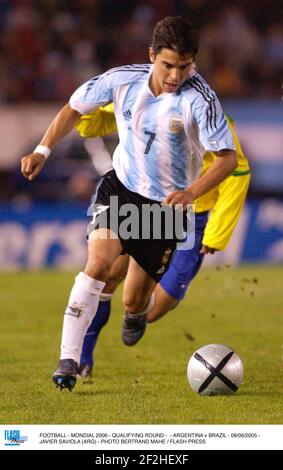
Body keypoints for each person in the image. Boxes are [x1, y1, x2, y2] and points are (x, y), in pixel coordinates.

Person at [21, 16, 237, 391]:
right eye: (168, 64)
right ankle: (68, 361)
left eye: (184, 67)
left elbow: (227, 159)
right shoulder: (122, 79)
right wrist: (43, 149)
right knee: (99, 265)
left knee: (134, 300)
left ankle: (134, 315)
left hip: (166, 210)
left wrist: (191, 193)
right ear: (152, 55)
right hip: (121, 189)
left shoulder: (200, 100)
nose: (175, 75)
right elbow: (74, 107)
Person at [75, 107, 250, 378]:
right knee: (106, 276)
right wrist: (89, 118)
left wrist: (217, 232)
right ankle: (81, 358)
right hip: (139, 198)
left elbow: (237, 172)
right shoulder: (147, 93)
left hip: (191, 217)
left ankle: (136, 311)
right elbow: (115, 105)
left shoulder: (210, 115)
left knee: (150, 308)